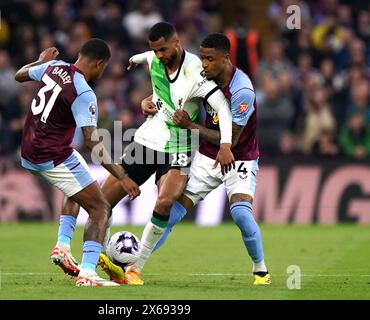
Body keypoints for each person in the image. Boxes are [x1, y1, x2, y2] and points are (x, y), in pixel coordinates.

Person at [98, 22, 234, 285]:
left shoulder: (197, 72)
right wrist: (142, 90)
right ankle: (100, 258)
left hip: (180, 147)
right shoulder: (154, 58)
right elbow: (143, 58)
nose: (159, 55)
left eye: (163, 50)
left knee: (164, 202)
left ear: (176, 42)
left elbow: (223, 109)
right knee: (103, 200)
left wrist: (226, 145)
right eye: (155, 51)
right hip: (147, 141)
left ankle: (134, 267)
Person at [14, 40, 140, 287]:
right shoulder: (83, 91)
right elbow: (94, 143)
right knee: (100, 209)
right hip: (50, 155)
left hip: (30, 150)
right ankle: (88, 273)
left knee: (81, 185)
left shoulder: (53, 67)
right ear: (99, 64)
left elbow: (19, 75)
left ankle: (62, 246)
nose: (102, 73)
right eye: (103, 68)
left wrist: (41, 61)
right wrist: (123, 177)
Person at [153, 33, 271, 285]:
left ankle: (260, 270)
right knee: (170, 213)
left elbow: (232, 140)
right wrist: (150, 100)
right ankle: (132, 263)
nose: (204, 64)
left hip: (239, 157)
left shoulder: (242, 91)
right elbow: (172, 93)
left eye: (209, 59)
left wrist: (190, 125)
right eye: (202, 58)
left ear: (225, 58)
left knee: (240, 213)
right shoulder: (204, 78)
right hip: (207, 157)